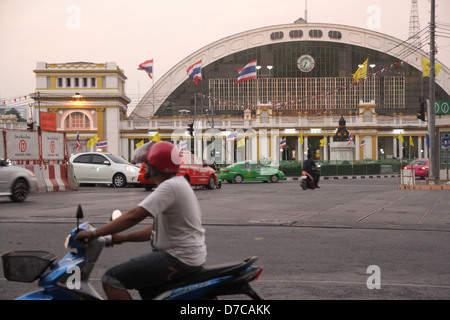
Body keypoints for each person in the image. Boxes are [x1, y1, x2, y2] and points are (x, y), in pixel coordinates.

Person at [75, 141, 206, 300]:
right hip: (188, 256)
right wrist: (123, 238)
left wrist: (94, 233)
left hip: (178, 257)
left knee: (112, 279)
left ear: (156, 167)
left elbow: (134, 215)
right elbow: (156, 229)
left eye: (148, 164)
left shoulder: (169, 187)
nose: (145, 167)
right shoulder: (178, 184)